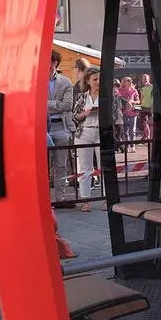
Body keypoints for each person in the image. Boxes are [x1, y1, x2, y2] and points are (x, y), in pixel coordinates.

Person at [72, 67, 105, 212]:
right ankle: (86, 200)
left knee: (104, 167)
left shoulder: (108, 95)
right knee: (85, 167)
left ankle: (106, 199)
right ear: (88, 81)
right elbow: (74, 117)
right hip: (84, 133)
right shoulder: (82, 97)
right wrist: (84, 114)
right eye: (95, 79)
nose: (98, 82)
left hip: (102, 133)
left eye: (99, 79)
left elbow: (116, 115)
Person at [47, 51, 74, 202]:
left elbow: (68, 105)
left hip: (61, 126)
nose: (48, 65)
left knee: (60, 164)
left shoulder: (65, 82)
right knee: (43, 165)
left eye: (51, 61)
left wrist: (47, 105)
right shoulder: (35, 81)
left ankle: (60, 197)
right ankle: (44, 199)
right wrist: (56, 105)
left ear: (56, 63)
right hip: (42, 127)